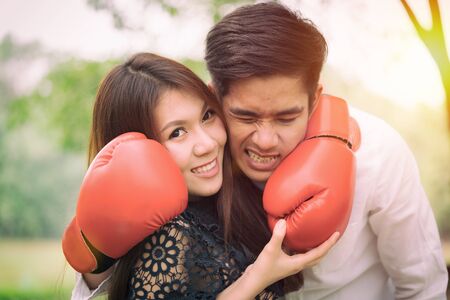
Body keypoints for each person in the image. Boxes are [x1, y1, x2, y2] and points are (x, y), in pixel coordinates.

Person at [204, 2, 448, 299]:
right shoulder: (197, 161)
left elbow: (423, 287)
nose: (265, 140)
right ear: (214, 97)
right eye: (245, 117)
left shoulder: (378, 154)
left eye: (286, 118)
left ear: (316, 97)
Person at [68, 52, 338, 299]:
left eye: (207, 115)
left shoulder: (238, 190)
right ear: (138, 155)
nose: (207, 143)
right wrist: (258, 277)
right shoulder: (170, 238)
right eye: (177, 132)